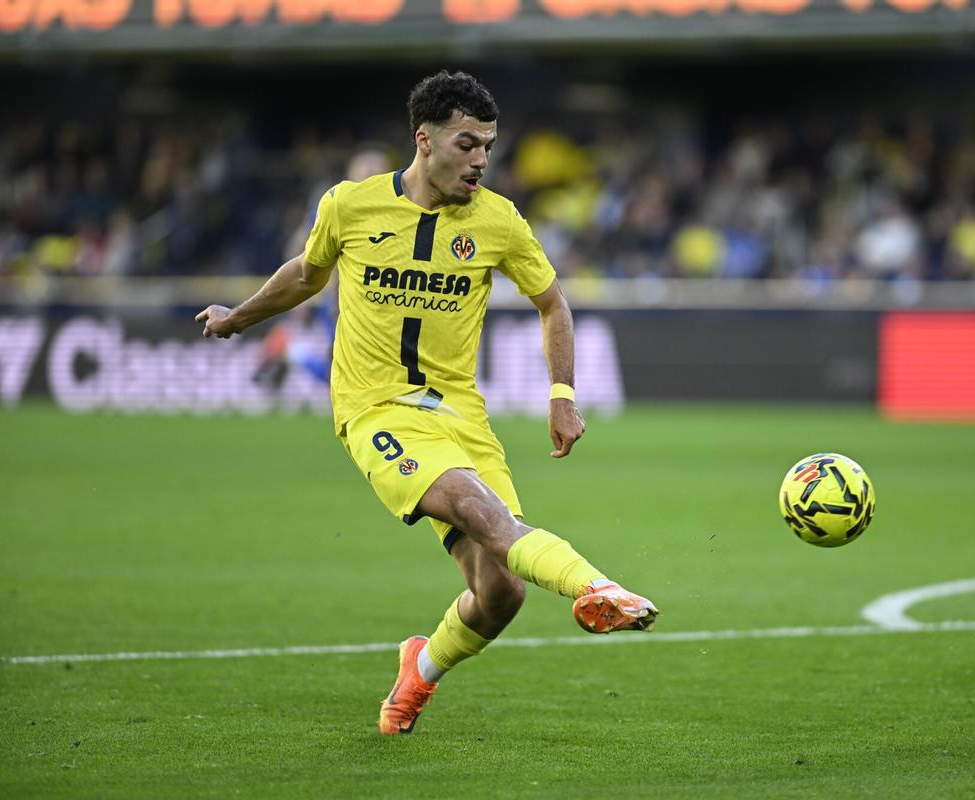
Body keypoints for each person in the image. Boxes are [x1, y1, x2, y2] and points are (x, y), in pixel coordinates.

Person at [196, 71, 658, 735]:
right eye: (467, 143)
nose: (480, 160)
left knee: (501, 592)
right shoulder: (350, 206)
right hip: (376, 409)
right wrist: (238, 318)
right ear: (424, 140)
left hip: (461, 416)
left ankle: (420, 669)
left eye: (489, 147)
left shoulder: (498, 222)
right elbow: (306, 272)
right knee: (477, 507)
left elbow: (552, 303)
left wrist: (562, 393)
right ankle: (596, 587)